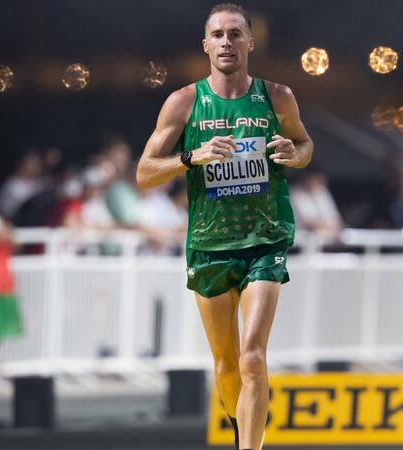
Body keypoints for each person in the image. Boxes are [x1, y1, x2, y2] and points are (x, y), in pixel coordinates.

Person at [135, 4, 313, 449]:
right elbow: (143, 174)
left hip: (264, 240)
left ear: (251, 42)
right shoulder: (184, 101)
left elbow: (305, 144)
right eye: (218, 34)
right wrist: (193, 156)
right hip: (210, 244)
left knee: (253, 357)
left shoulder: (278, 97)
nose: (226, 42)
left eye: (236, 34)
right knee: (227, 364)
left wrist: (296, 153)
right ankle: (242, 431)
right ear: (206, 45)